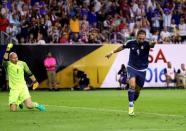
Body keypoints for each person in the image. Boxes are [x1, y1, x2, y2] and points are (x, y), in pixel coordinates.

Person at [105, 29, 157, 116]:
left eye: (143, 39)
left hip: (142, 70)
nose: (141, 40)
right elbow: (122, 47)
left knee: (138, 91)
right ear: (137, 37)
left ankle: (132, 99)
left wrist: (154, 43)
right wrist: (112, 52)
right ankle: (131, 106)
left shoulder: (147, 43)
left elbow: (152, 45)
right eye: (140, 38)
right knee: (132, 84)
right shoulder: (131, 42)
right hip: (131, 67)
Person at [2, 43, 45, 112]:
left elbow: (29, 73)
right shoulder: (8, 64)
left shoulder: (22, 63)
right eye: (14, 58)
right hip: (14, 89)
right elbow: (4, 60)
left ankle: (38, 105)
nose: (16, 59)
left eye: (16, 57)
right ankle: (19, 102)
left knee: (29, 106)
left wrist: (35, 81)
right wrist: (7, 50)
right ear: (10, 59)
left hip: (23, 87)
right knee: (13, 110)